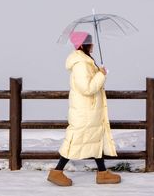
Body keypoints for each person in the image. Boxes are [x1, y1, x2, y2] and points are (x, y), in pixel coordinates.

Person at [47, 31, 121, 187]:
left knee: (95, 139)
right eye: (90, 42)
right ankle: (56, 172)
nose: (93, 45)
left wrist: (99, 73)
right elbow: (86, 88)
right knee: (75, 141)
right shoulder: (81, 64)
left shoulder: (86, 61)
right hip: (85, 112)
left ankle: (102, 173)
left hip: (90, 111)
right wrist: (101, 75)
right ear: (83, 45)